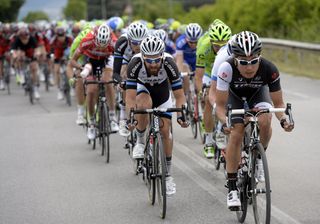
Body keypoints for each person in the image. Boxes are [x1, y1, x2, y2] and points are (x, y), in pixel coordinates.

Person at [215, 31, 294, 209]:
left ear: (260, 57)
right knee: (237, 131)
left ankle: (258, 158)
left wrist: (284, 121)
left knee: (265, 119)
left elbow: (278, 104)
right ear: (235, 59)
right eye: (243, 62)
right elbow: (220, 106)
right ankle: (233, 188)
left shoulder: (269, 69)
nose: (249, 67)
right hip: (234, 98)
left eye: (253, 61)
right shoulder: (226, 69)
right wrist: (224, 122)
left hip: (258, 95)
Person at [125, 36, 189, 195]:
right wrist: (130, 118)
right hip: (143, 88)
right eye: (149, 61)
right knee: (143, 104)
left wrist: (181, 114)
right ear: (143, 57)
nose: (153, 64)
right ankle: (140, 141)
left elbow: (179, 95)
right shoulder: (135, 63)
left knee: (166, 130)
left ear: (161, 56)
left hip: (161, 91)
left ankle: (167, 176)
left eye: (156, 61)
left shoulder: (169, 63)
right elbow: (130, 97)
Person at [70, 24, 119, 140]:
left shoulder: (114, 42)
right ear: (95, 39)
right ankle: (91, 123)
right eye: (99, 45)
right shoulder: (87, 40)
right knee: (91, 90)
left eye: (104, 45)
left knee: (108, 82)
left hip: (107, 60)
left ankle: (112, 118)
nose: (101, 48)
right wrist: (81, 69)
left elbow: (120, 59)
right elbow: (72, 60)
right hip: (90, 62)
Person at [195, 20, 232, 158]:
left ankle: (222, 127)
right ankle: (209, 141)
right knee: (209, 102)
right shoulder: (204, 47)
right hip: (210, 73)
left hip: (225, 74)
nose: (220, 49)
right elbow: (198, 76)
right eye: (216, 46)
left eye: (224, 45)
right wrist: (201, 92)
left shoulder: (232, 47)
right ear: (211, 42)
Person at [112, 21, 149, 137]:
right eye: (134, 42)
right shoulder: (122, 42)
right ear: (129, 40)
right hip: (127, 61)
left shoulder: (149, 41)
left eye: (140, 42)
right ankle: (123, 116)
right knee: (124, 75)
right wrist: (122, 83)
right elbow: (115, 73)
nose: (138, 46)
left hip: (143, 60)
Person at [11, 27, 41, 99]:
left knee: (34, 69)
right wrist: (15, 56)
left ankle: (35, 88)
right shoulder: (17, 39)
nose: (24, 39)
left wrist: (37, 54)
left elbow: (37, 48)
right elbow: (14, 50)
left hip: (30, 53)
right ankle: (21, 73)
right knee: (18, 56)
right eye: (22, 37)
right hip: (22, 54)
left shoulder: (32, 38)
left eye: (25, 37)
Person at [175, 23, 203, 96]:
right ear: (186, 39)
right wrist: (179, 74)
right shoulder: (180, 42)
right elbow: (179, 61)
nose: (193, 44)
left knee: (199, 82)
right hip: (186, 61)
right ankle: (187, 95)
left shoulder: (203, 42)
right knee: (184, 72)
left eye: (196, 42)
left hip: (197, 61)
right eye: (191, 42)